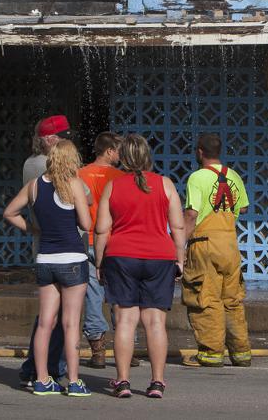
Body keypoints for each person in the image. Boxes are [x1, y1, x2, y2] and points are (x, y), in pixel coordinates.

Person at [94, 134, 187, 399]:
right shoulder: (165, 184)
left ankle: (122, 381)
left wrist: (100, 261)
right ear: (148, 156)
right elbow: (178, 226)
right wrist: (179, 260)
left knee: (125, 320)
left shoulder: (113, 186)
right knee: (156, 321)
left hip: (122, 256)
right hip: (160, 257)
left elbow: (102, 229)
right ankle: (157, 382)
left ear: (122, 157)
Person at [3, 139, 93, 397]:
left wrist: (32, 228)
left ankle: (41, 380)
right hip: (72, 259)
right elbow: (86, 224)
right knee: (71, 323)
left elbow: (9, 212)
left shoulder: (33, 187)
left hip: (45, 258)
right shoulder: (74, 185)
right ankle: (74, 381)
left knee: (45, 322)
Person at [181, 133, 252, 368]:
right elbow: (242, 210)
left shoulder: (197, 178)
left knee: (206, 297)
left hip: (205, 243)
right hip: (230, 244)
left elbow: (191, 214)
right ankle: (241, 352)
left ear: (199, 152)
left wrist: (180, 244)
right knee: (232, 299)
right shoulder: (234, 176)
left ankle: (211, 353)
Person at [17, 114, 73, 385]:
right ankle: (48, 369)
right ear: (51, 140)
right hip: (62, 248)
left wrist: (32, 228)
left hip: (44, 246)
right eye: (64, 137)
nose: (67, 142)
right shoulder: (47, 167)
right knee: (58, 318)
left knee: (48, 316)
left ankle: (33, 369)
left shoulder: (31, 163)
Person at [79, 131, 124, 368]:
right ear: (109, 151)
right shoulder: (121, 178)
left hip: (87, 241)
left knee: (93, 295)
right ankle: (124, 348)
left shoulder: (79, 175)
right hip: (114, 241)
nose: (120, 155)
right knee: (120, 294)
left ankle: (98, 351)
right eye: (117, 150)